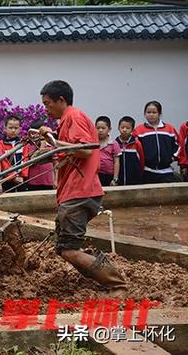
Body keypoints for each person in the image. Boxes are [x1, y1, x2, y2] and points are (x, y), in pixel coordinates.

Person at [39, 80, 126, 292]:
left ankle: (117, 285)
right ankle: (101, 270)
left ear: (61, 100)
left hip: (80, 191)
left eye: (48, 103)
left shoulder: (74, 117)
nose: (46, 108)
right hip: (75, 190)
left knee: (68, 250)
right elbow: (68, 152)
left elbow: (85, 149)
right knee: (64, 247)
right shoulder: (66, 120)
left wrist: (52, 142)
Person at [133, 101, 180, 183]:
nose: (151, 114)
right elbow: (135, 150)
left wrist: (172, 157)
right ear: (145, 113)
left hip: (166, 172)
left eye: (154, 112)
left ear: (159, 113)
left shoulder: (170, 129)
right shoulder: (138, 130)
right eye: (148, 112)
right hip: (147, 172)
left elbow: (179, 145)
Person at [115, 116, 144, 186]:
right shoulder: (115, 143)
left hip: (134, 179)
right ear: (118, 128)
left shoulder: (137, 143)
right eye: (122, 127)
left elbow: (142, 160)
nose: (124, 130)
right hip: (119, 179)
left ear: (132, 130)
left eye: (128, 128)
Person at [0, 115, 25, 191]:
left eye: (16, 128)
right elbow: (3, 163)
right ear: (5, 129)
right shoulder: (0, 144)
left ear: (20, 129)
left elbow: (26, 160)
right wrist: (13, 176)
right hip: (7, 180)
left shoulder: (24, 144)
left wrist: (22, 175)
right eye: (10, 128)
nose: (13, 130)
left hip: (22, 179)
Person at [95, 116, 121, 187]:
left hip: (108, 175)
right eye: (98, 128)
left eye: (103, 128)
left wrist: (115, 179)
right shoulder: (93, 143)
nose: (100, 130)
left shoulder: (113, 143)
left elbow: (116, 162)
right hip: (95, 174)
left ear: (109, 129)